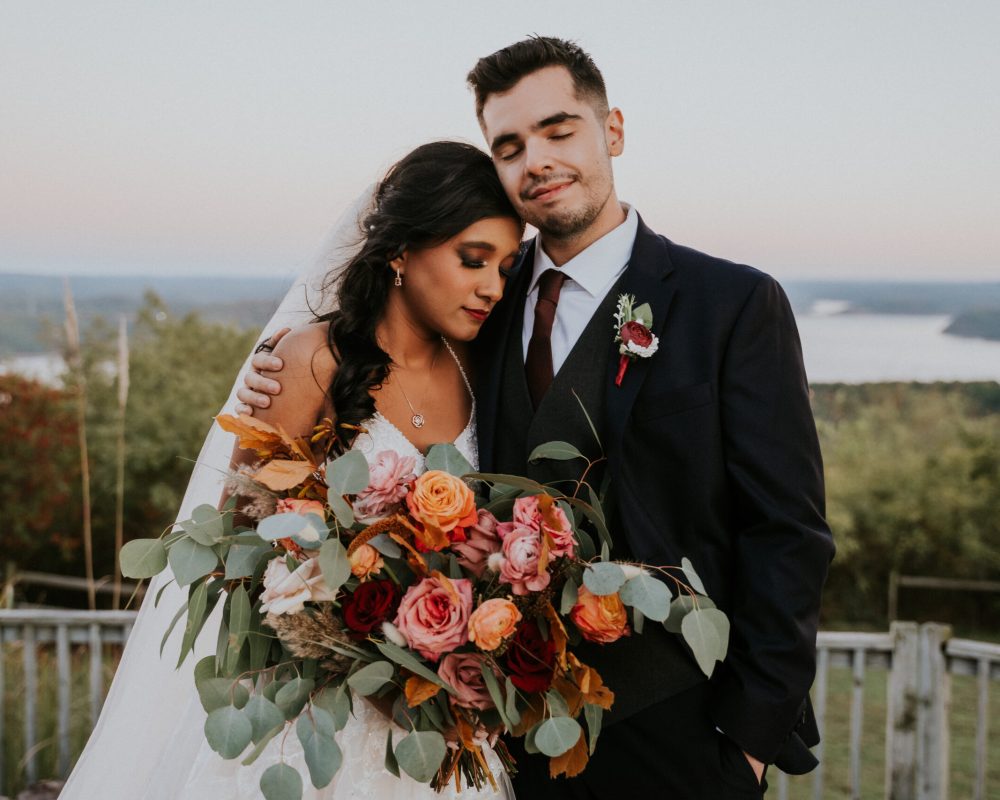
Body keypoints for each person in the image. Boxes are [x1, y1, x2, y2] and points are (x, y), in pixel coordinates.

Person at [241, 37, 835, 799]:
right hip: (492, 728)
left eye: (560, 130)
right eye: (511, 145)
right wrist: (302, 363)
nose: (537, 161)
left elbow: (789, 535)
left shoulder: (732, 305)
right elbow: (387, 362)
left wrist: (745, 743)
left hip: (679, 730)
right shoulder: (480, 299)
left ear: (611, 131)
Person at [61, 141, 522, 799]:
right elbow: (240, 559)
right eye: (473, 260)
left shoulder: (479, 369)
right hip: (318, 725)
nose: (492, 287)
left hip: (445, 727)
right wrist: (373, 666)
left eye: (505, 267)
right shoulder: (309, 362)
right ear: (400, 251)